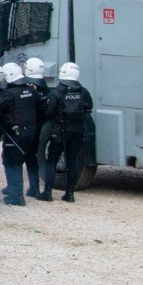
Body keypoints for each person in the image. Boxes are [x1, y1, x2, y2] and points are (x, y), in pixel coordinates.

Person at [41, 63, 94, 202]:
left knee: (52, 161)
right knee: (72, 162)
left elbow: (48, 112)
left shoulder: (57, 92)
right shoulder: (83, 91)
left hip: (59, 132)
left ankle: (47, 193)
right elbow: (89, 107)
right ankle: (70, 194)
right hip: (77, 131)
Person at [0, 62, 43, 205]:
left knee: (12, 162)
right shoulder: (30, 90)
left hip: (15, 133)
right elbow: (40, 105)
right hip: (31, 131)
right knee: (30, 160)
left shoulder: (8, 94)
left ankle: (16, 196)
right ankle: (34, 189)